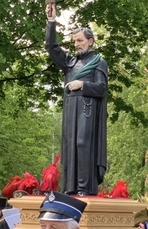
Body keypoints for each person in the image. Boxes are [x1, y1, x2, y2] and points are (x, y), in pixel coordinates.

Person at [46, 4, 108, 196]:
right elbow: (51, 47)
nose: (77, 44)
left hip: (87, 110)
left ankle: (84, 187)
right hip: (71, 110)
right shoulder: (70, 62)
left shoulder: (98, 62)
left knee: (83, 143)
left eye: (80, 41)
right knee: (70, 145)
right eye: (74, 42)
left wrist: (82, 85)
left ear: (90, 41)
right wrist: (51, 21)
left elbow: (102, 88)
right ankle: (70, 187)